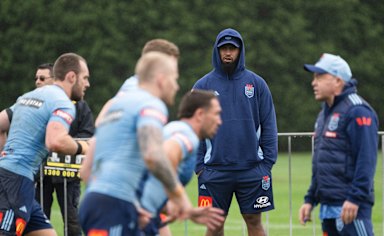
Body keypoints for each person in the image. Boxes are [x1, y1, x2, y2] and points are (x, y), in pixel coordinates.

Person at [78, 52, 191, 236]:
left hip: (94, 201)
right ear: (161, 79)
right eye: (175, 78)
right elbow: (153, 155)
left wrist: (131, 204)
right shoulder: (151, 105)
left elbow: (86, 170)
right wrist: (179, 196)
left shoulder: (115, 105)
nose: (177, 86)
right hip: (113, 205)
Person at [192, 28, 278, 236]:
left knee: (254, 222)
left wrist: (267, 164)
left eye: (232, 48)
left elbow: (269, 125)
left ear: (240, 51)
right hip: (214, 171)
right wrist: (199, 167)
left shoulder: (257, 84)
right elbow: (193, 127)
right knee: (214, 225)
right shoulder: (202, 86)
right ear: (217, 51)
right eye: (223, 48)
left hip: (252, 170)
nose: (228, 53)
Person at [0, 52, 90, 236]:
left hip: (16, 179)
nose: (87, 84)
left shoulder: (29, 96)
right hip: (16, 182)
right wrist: (84, 147)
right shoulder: (63, 103)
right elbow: (55, 141)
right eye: (85, 78)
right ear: (72, 77)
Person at [299, 53, 378, 235]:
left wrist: (355, 198)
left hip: (350, 208)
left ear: (337, 81)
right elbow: (323, 161)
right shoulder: (324, 114)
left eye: (320, 77)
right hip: (328, 208)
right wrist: (310, 199)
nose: (313, 82)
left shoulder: (358, 111)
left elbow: (366, 160)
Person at [140, 89, 224, 236]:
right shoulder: (186, 135)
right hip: (130, 213)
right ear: (200, 115)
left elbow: (151, 184)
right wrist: (179, 197)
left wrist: (185, 210)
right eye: (216, 114)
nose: (219, 121)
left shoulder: (176, 129)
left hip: (142, 212)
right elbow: (165, 155)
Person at [32, 64, 95, 236]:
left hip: (67, 172)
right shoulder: (34, 105)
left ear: (54, 80)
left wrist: (64, 145)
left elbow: (87, 134)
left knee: (72, 220)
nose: (38, 82)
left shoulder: (79, 106)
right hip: (40, 173)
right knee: (37, 220)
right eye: (36, 78)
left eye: (42, 78)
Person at [94, 38, 180, 126]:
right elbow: (103, 118)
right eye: (171, 66)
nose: (174, 71)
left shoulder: (134, 85)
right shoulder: (136, 88)